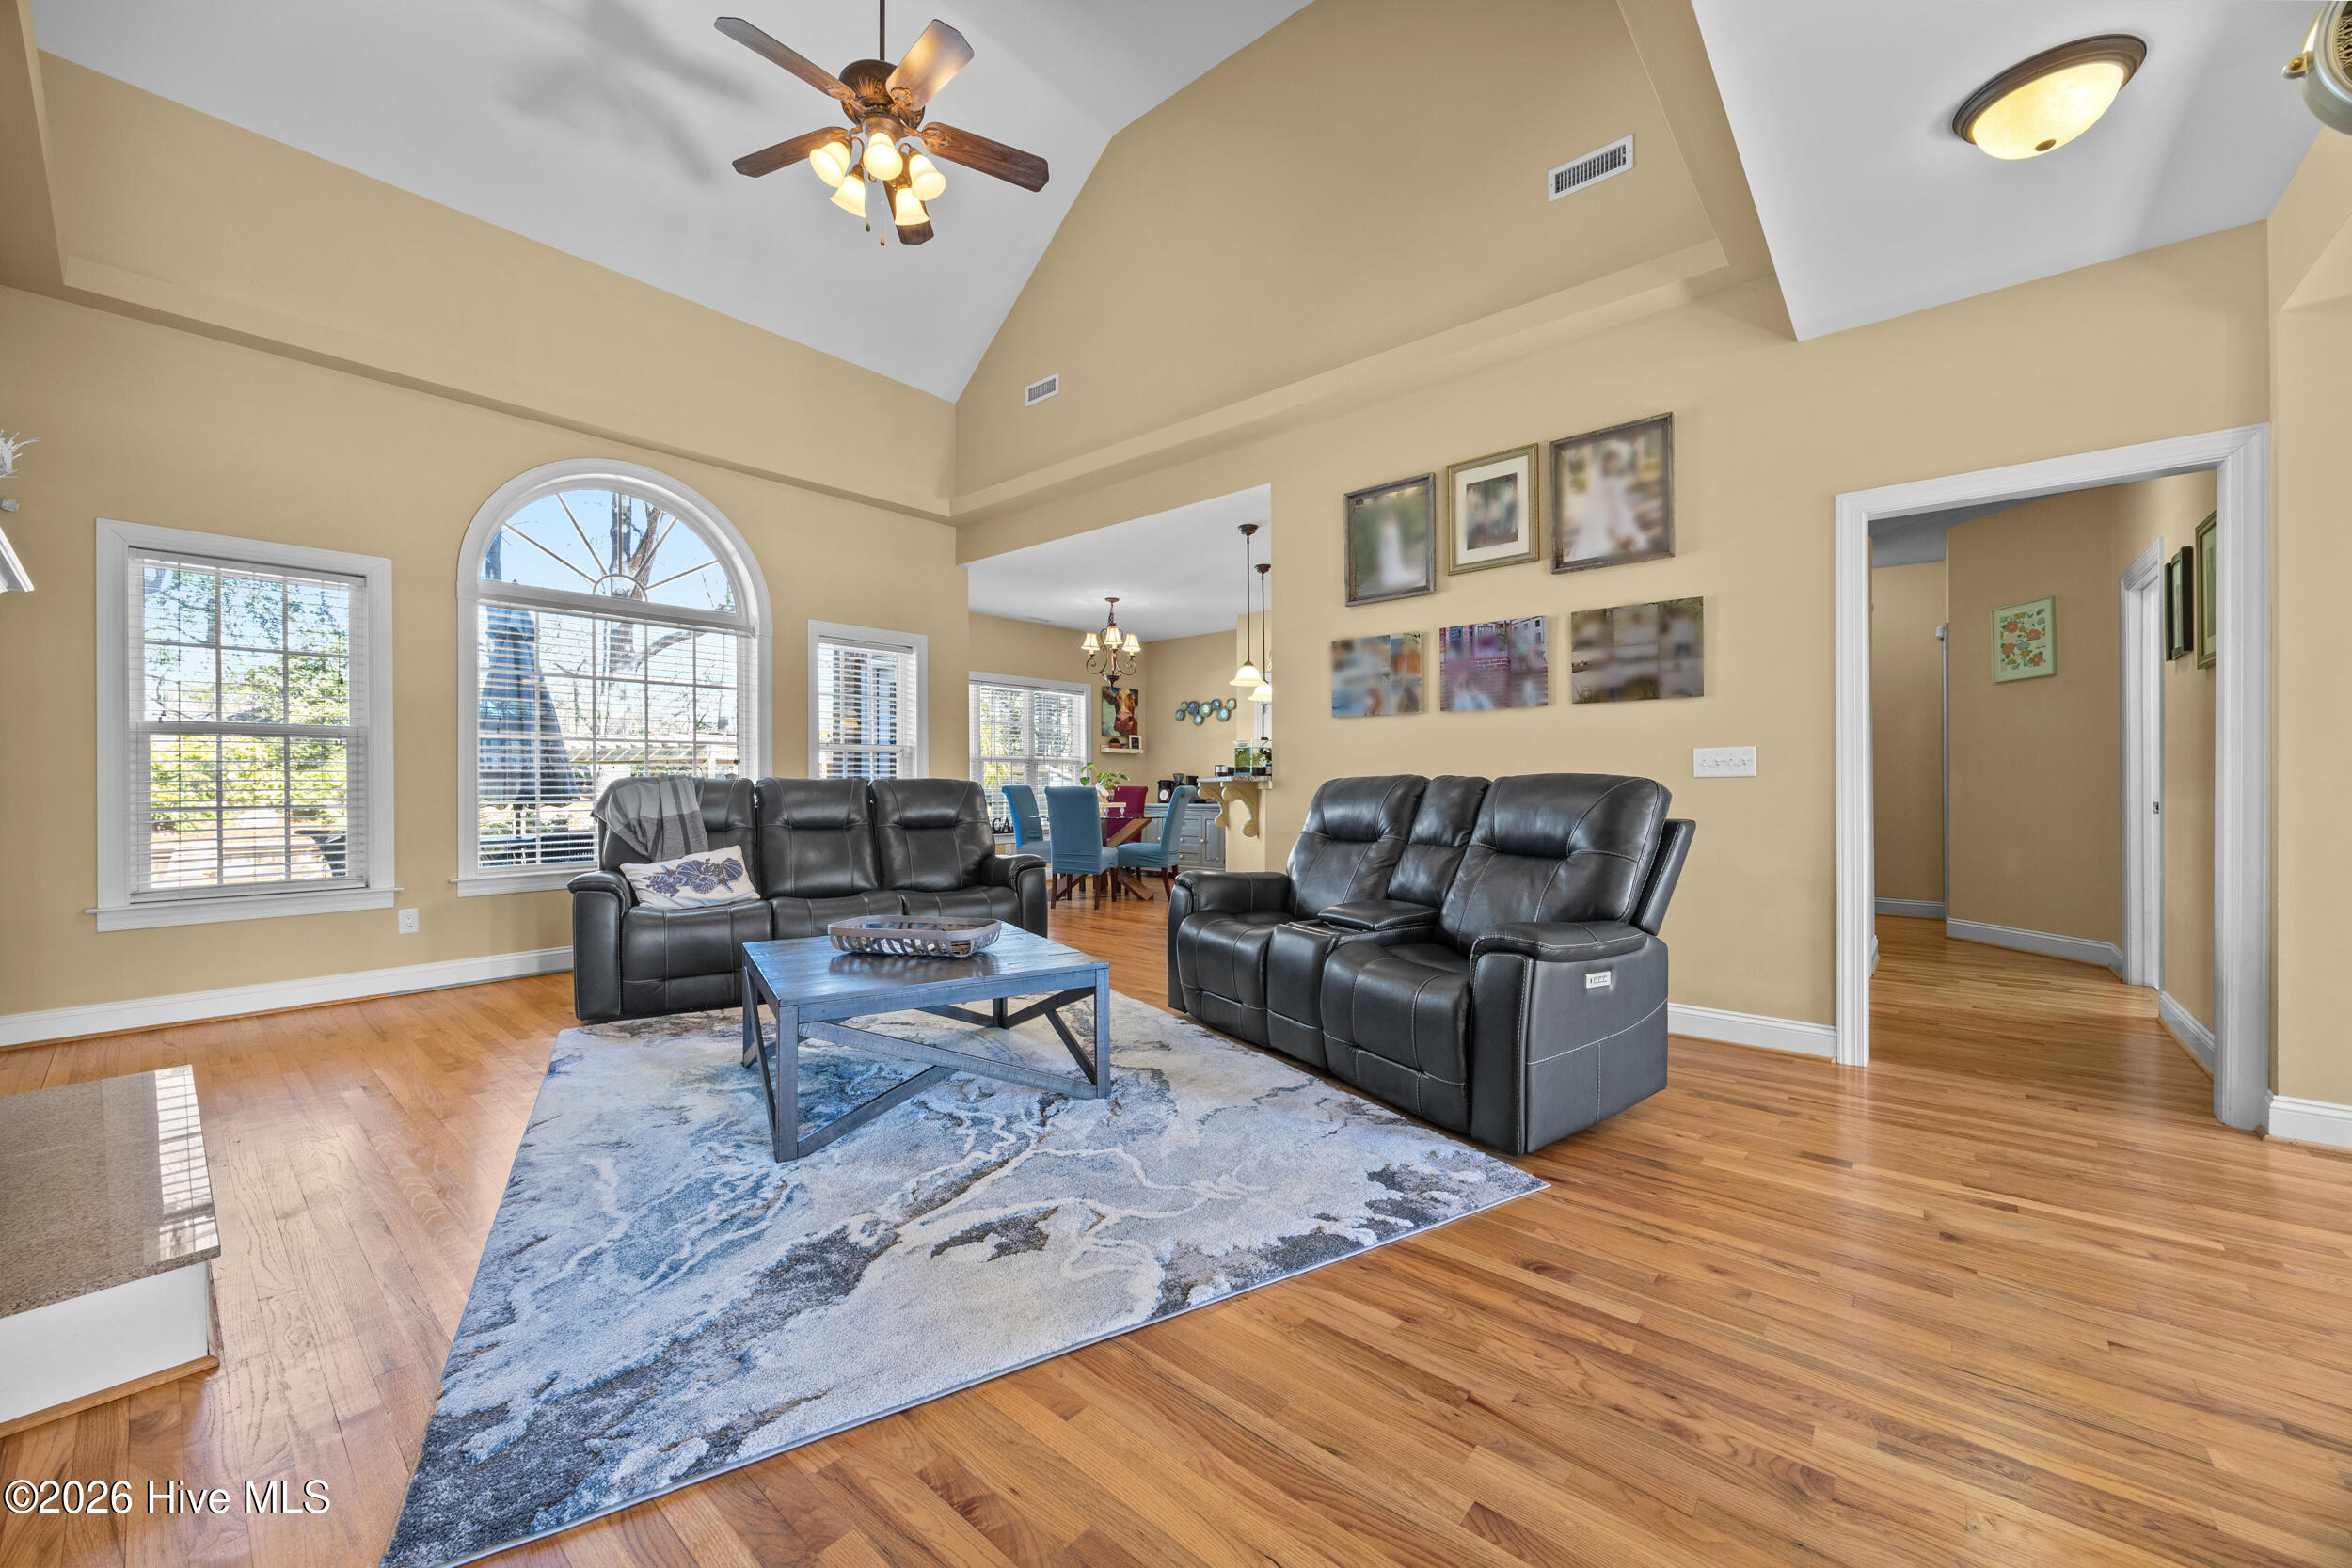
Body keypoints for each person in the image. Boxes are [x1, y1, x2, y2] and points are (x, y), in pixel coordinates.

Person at [1565, 443, 1645, 562]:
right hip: (1605, 514)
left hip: (1615, 512)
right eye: (1611, 462)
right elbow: (1604, 501)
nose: (1613, 465)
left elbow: (1617, 500)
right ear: (1605, 463)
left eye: (1615, 462)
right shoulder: (1602, 481)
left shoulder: (1613, 479)